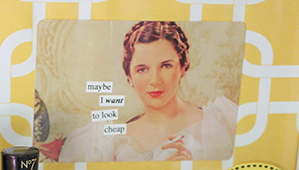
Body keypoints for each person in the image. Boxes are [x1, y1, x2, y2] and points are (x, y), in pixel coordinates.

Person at [58, 21, 238, 162]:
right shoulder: (106, 143)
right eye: (142, 69)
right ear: (129, 76)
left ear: (183, 66)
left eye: (166, 66)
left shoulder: (224, 122)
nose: (155, 81)